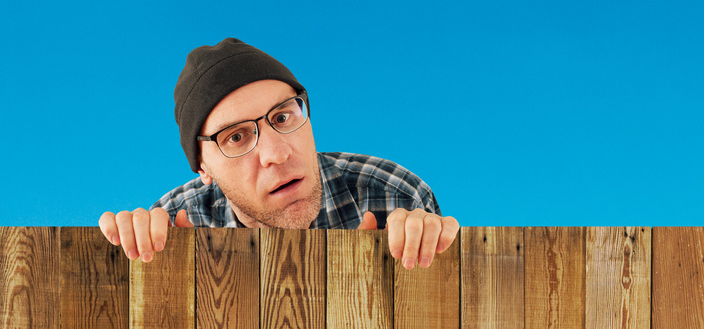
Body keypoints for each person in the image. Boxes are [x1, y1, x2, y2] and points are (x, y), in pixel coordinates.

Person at [98, 38, 458, 268]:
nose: (276, 153)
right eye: (236, 137)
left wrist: (426, 257)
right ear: (202, 166)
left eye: (283, 116)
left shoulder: (394, 196)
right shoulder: (174, 229)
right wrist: (129, 261)